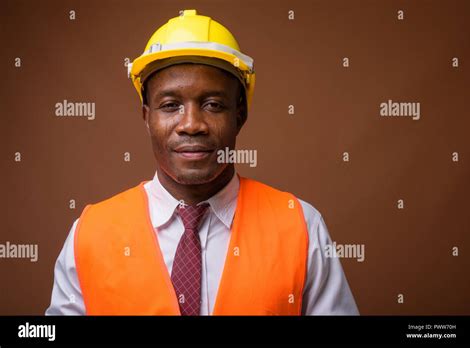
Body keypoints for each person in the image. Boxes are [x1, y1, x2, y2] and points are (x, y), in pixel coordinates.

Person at [46, 9, 359, 316]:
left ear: (240, 115)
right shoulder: (89, 236)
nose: (191, 124)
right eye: (170, 106)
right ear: (147, 117)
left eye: (212, 104)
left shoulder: (300, 227)